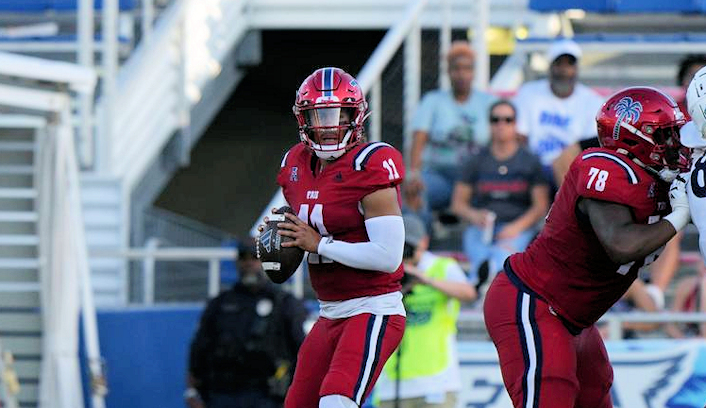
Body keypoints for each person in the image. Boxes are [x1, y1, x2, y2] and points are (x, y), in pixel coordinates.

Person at [483, 87, 691, 408]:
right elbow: (621, 245)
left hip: (575, 318)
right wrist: (679, 215)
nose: (674, 144)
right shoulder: (604, 167)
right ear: (635, 137)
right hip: (534, 302)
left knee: (596, 397)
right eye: (664, 135)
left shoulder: (660, 179)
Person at [267, 67, 407, 408]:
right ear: (304, 119)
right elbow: (301, 227)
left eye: (337, 114)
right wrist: (283, 238)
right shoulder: (295, 164)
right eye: (319, 115)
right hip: (328, 312)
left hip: (374, 308)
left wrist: (320, 244)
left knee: (336, 401)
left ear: (355, 115)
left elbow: (389, 256)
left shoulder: (370, 163)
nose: (328, 125)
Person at [185, 240, 308, 408]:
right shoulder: (220, 303)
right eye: (244, 257)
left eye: (255, 257)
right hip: (222, 394)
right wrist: (192, 392)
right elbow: (199, 349)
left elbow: (304, 351)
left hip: (268, 397)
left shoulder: (285, 303)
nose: (249, 263)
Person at [375, 214, 476, 408]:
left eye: (410, 247)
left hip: (436, 382)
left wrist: (425, 279)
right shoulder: (384, 269)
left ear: (424, 242)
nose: (406, 252)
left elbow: (469, 293)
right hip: (391, 382)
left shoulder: (441, 267)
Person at [450, 100, 549, 286]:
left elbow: (540, 206)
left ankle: (480, 290)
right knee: (480, 259)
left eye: (507, 119)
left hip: (516, 226)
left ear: (516, 124)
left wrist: (516, 228)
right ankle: (480, 288)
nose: (501, 125)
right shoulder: (475, 160)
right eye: (495, 120)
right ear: (489, 124)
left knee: (501, 260)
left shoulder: (530, 161)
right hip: (481, 227)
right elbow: (458, 204)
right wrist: (475, 215)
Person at [406, 40, 496, 220]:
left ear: (474, 72)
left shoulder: (488, 103)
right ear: (448, 71)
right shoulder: (433, 100)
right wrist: (414, 174)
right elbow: (419, 139)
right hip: (439, 175)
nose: (462, 74)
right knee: (415, 194)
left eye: (467, 68)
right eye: (456, 68)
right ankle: (421, 244)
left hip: (475, 177)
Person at [513, 38, 604, 187]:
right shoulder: (528, 93)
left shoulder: (592, 101)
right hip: (534, 167)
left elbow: (589, 148)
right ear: (550, 66)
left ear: (576, 68)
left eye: (569, 64)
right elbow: (519, 137)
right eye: (559, 64)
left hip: (571, 168)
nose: (564, 70)